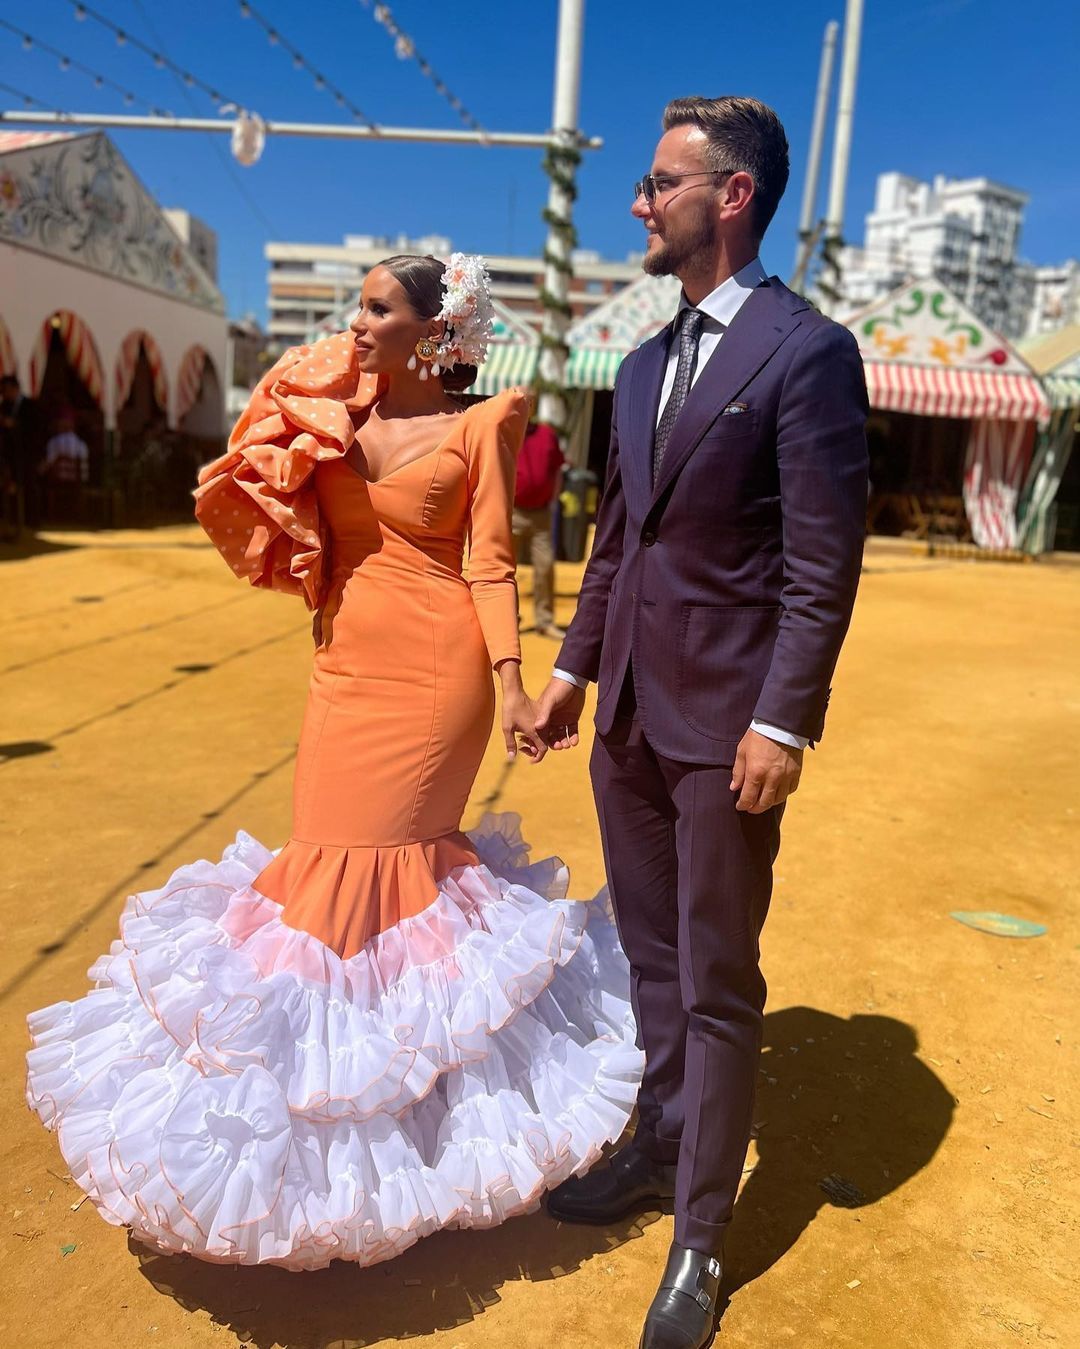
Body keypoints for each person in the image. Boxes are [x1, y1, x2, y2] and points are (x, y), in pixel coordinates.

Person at [25, 254, 643, 1271]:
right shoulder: (328, 408)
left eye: (376, 308)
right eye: (355, 305)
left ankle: (392, 1153)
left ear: (432, 331)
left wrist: (515, 683)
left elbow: (490, 562)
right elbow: (248, 474)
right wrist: (311, 404)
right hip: (342, 665)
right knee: (318, 866)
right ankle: (324, 1125)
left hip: (436, 673)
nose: (355, 323)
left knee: (382, 881)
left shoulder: (483, 426)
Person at [534, 97, 869, 1348]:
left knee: (717, 973)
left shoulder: (806, 351)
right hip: (626, 716)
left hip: (730, 728)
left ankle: (701, 1235)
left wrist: (784, 721)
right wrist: (572, 670)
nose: (638, 202)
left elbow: (822, 563)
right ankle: (660, 1141)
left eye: (657, 183)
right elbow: (618, 544)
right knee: (651, 957)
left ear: (730, 196)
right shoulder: (637, 367)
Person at [512, 395, 566, 638]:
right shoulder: (507, 430)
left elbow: (557, 468)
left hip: (541, 514)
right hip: (512, 512)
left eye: (529, 403)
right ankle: (508, 620)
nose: (526, 407)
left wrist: (554, 498)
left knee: (545, 567)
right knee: (505, 570)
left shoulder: (547, 435)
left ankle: (545, 621)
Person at [0, 372, 46, 530]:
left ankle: (32, 520)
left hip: (28, 454)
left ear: (15, 389)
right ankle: (14, 519)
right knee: (11, 487)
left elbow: (36, 431)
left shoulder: (30, 406)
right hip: (10, 455)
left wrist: (15, 425)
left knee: (30, 486)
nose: (4, 394)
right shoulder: (5, 407)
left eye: (6, 390)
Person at [41, 409, 90, 521]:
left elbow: (49, 463)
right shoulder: (82, 444)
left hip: (58, 480)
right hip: (79, 480)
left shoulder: (54, 442)